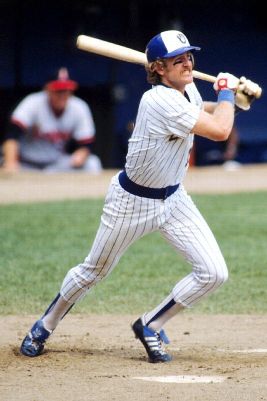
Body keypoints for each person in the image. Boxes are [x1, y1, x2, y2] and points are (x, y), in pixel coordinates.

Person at [20, 30, 258, 363]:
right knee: (93, 271)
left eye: (189, 56)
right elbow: (218, 131)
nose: (188, 63)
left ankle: (150, 324)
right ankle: (44, 325)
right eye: (179, 59)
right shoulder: (157, 99)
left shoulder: (185, 88)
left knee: (214, 273)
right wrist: (227, 95)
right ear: (158, 68)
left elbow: (199, 110)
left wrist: (232, 102)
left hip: (174, 199)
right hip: (133, 202)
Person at [1, 67, 102, 173]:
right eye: (58, 90)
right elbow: (11, 135)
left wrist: (81, 155)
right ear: (47, 89)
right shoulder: (32, 102)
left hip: (55, 166)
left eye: (66, 90)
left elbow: (86, 144)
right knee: (6, 164)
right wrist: (11, 162)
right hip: (27, 163)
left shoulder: (79, 107)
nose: (62, 95)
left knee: (92, 163)